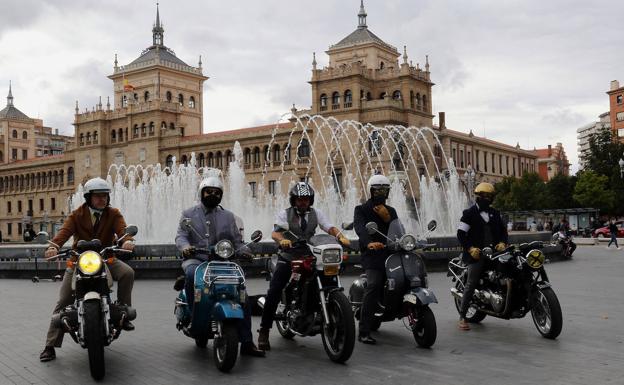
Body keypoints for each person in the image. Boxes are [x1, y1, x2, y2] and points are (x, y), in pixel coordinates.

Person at [39, 177, 136, 362]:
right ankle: (50, 346)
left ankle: (123, 312)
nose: (102, 199)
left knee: (127, 273)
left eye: (105, 196)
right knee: (64, 299)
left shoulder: (113, 213)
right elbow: (63, 234)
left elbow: (123, 232)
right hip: (79, 260)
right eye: (98, 196)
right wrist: (53, 247)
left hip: (106, 258)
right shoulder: (77, 214)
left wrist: (127, 241)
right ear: (88, 197)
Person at [175, 176, 265, 357]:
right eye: (209, 192)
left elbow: (236, 241)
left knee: (243, 296)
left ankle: (247, 342)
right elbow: (181, 236)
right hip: (197, 259)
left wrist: (244, 251)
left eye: (217, 193)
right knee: (192, 275)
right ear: (201, 193)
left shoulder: (228, 216)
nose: (212, 195)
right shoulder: (189, 214)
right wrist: (185, 248)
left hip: (223, 261)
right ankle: (194, 316)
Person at [257, 181, 350, 351]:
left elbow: (329, 227)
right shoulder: (285, 214)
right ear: (294, 200)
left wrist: (340, 236)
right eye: (300, 199)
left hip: (310, 254)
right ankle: (264, 331)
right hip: (289, 255)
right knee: (275, 290)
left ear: (310, 200)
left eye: (306, 199)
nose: (303, 202)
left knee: (325, 276)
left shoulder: (316, 213)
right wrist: (282, 239)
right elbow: (275, 232)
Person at [353, 174, 399, 344]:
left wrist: (388, 218)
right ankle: (363, 331)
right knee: (373, 285)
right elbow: (360, 229)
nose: (381, 193)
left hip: (392, 253)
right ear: (371, 191)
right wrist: (369, 243)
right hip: (373, 256)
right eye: (378, 190)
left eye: (384, 190)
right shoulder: (361, 209)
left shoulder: (391, 210)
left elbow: (398, 230)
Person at [456, 182, 508, 331]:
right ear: (478, 197)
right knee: (471, 283)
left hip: (495, 253)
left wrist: (503, 243)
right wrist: (470, 248)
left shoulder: (495, 213)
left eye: (490, 197)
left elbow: (504, 232)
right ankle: (463, 317)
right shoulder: (469, 213)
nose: (488, 199)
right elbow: (461, 234)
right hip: (476, 255)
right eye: (485, 196)